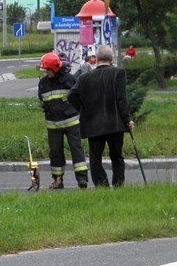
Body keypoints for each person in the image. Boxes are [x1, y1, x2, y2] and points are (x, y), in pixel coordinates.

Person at [68, 45, 134, 188]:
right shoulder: (118, 73)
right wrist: (127, 119)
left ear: (96, 59)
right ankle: (118, 186)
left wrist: (83, 109)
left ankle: (102, 186)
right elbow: (122, 99)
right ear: (112, 58)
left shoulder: (84, 78)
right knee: (117, 156)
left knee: (95, 158)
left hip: (93, 124)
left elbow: (71, 95)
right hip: (115, 123)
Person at [37, 52, 89, 189]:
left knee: (76, 150)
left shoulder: (70, 79)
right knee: (55, 153)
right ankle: (57, 180)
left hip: (71, 122)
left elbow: (80, 97)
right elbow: (42, 100)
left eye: (47, 70)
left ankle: (82, 180)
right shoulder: (43, 83)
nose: (45, 72)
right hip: (53, 125)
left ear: (54, 68)